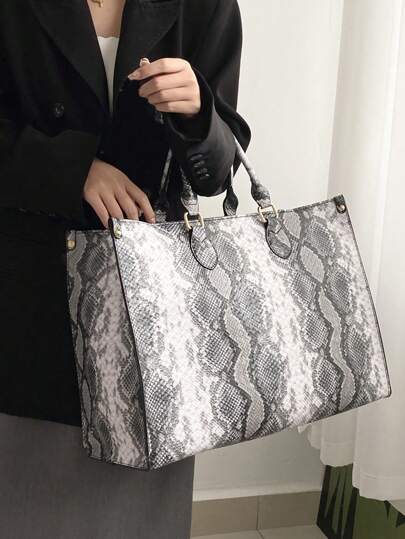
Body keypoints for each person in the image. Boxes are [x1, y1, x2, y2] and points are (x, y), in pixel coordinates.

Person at [0, 0, 251, 537]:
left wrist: (198, 112)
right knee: (29, 501)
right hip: (31, 298)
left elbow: (218, 171)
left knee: (140, 517)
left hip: (152, 310)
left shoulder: (204, 6)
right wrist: (74, 169)